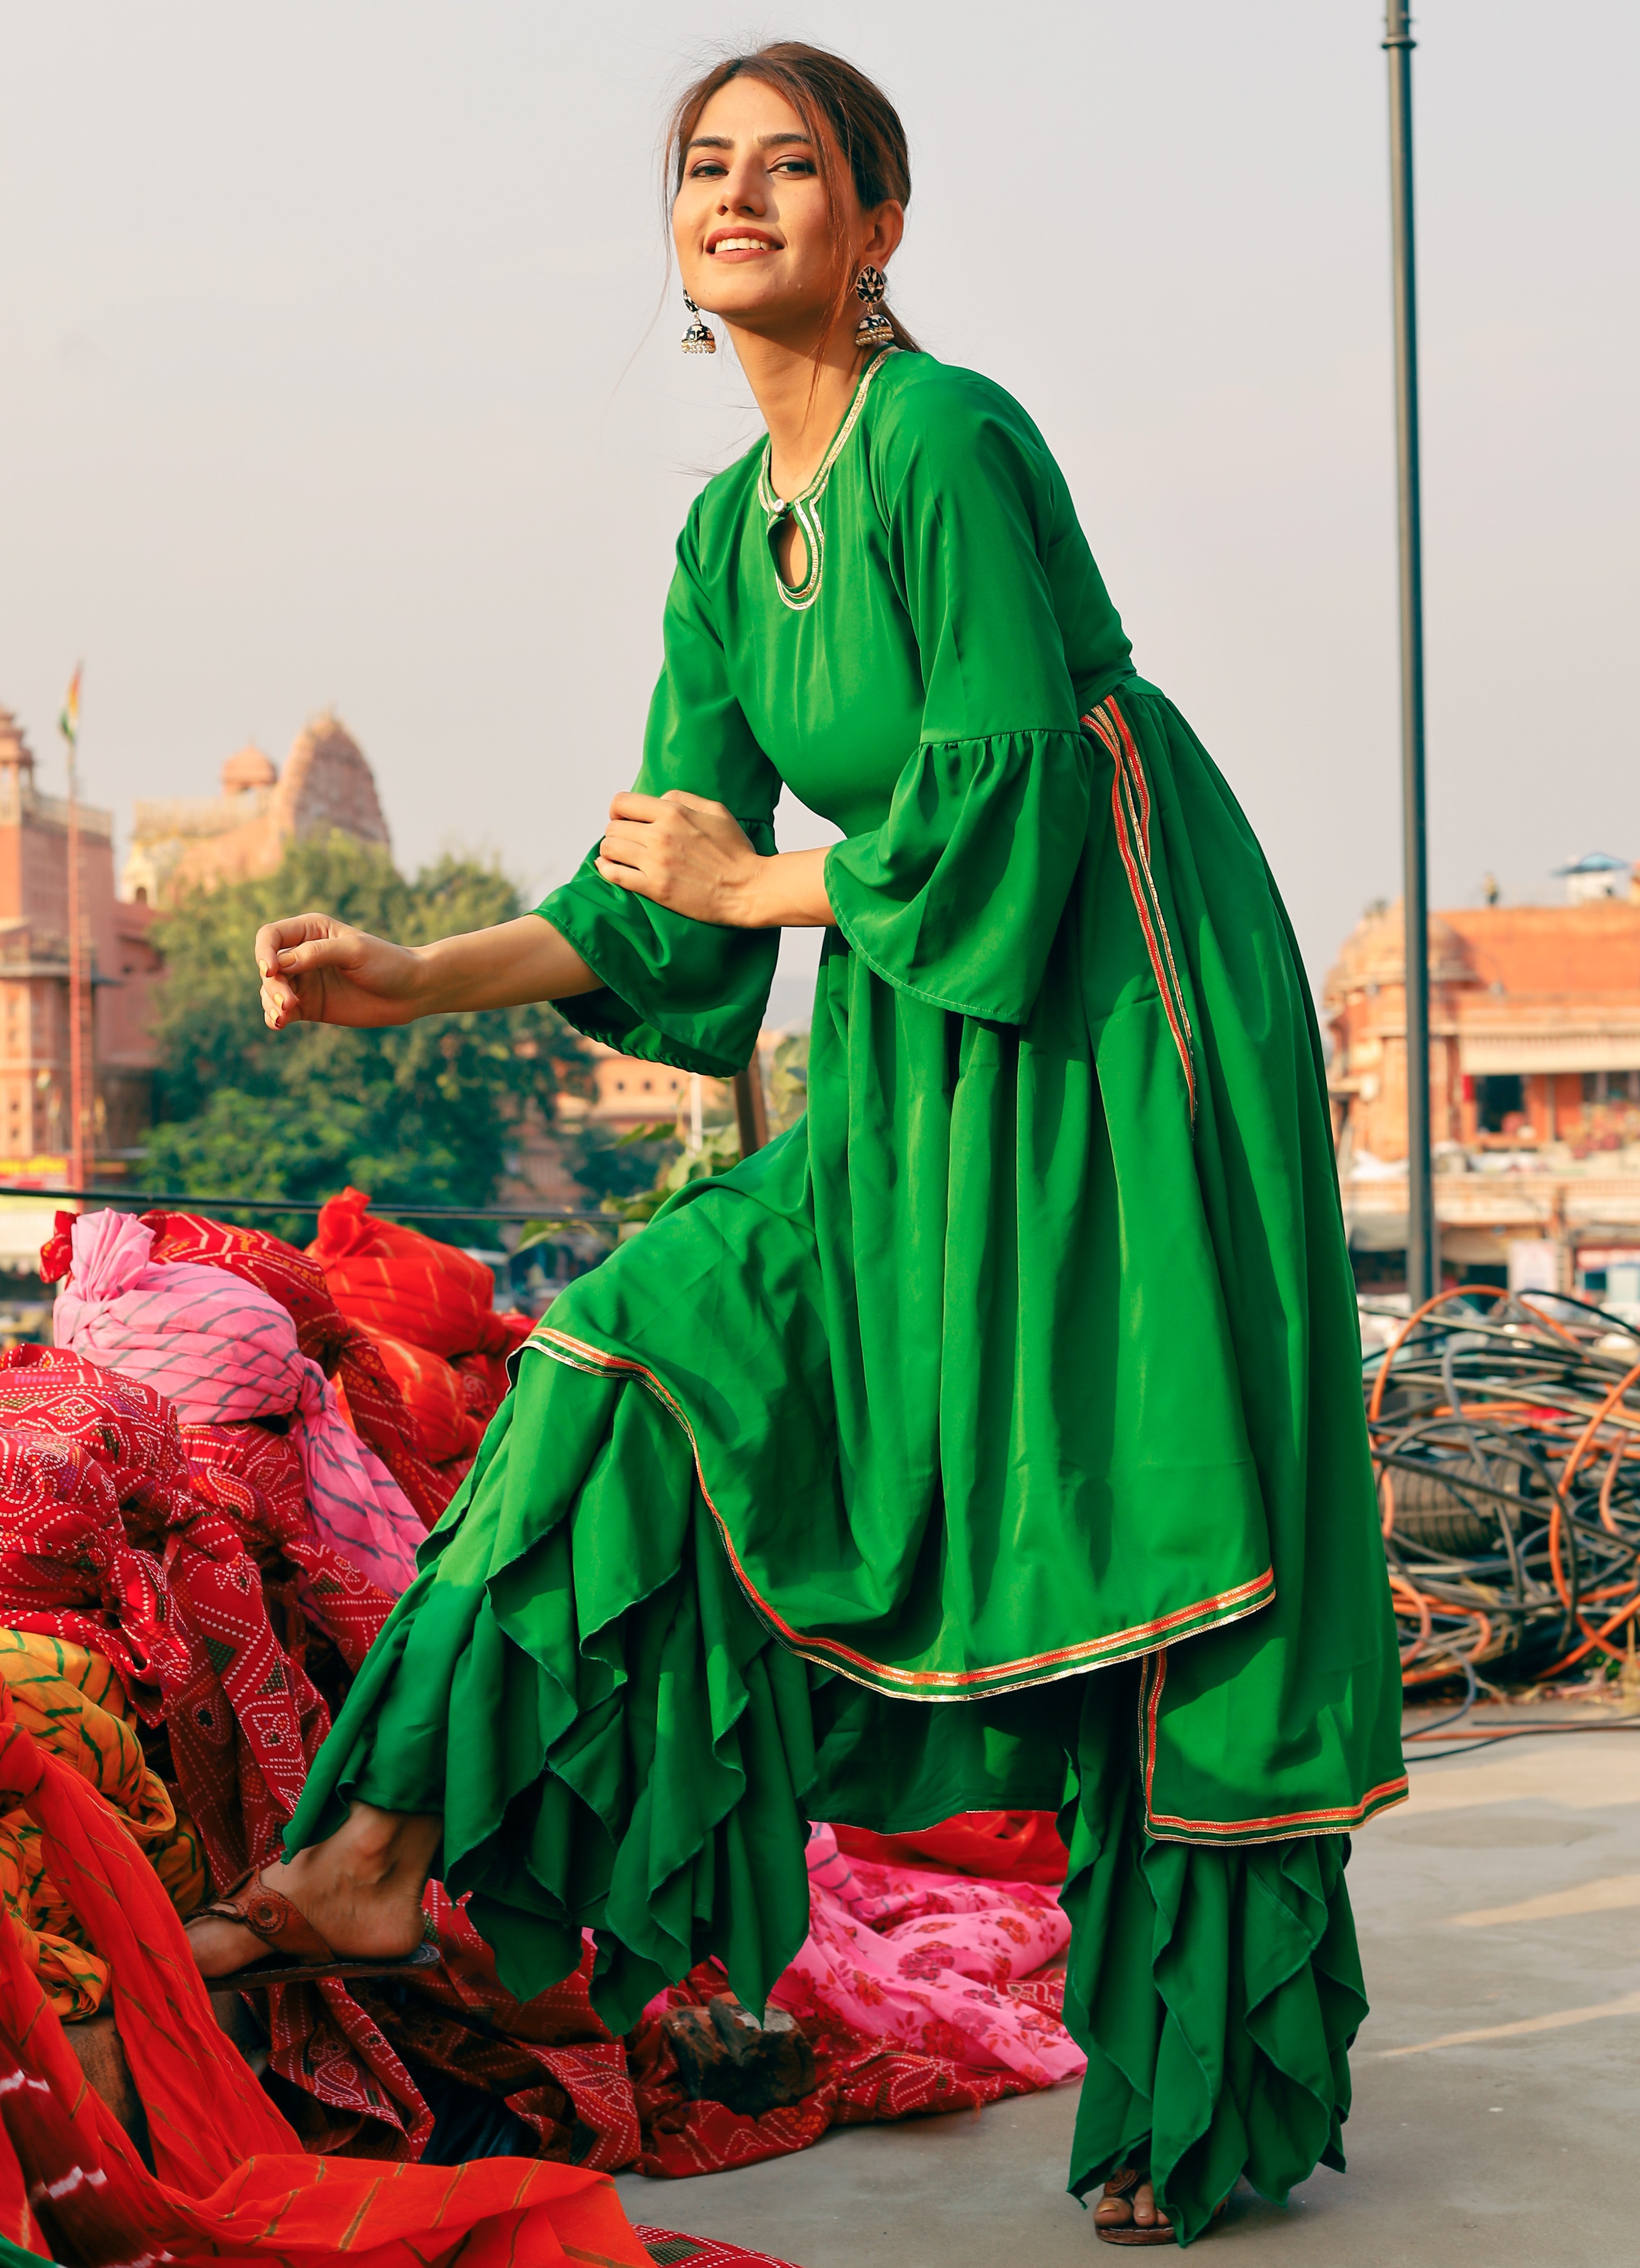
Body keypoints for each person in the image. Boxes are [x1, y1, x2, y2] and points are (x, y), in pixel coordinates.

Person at [187, 41, 1405, 2247]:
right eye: (703, 166)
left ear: (880, 225)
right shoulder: (720, 536)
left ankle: (1196, 2081)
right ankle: (372, 1856)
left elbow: (1019, 782)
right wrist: (398, 974)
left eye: (793, 166)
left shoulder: (945, 433)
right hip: (929, 1015)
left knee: (1141, 1515)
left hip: (1121, 1017)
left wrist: (773, 895)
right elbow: (666, 879)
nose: (737, 195)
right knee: (639, 1334)